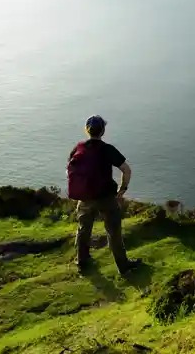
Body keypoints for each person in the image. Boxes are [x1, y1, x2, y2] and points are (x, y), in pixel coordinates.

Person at [67, 115, 141, 274]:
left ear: (86, 130)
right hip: (106, 197)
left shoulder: (79, 148)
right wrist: (122, 189)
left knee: (83, 229)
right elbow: (126, 170)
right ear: (103, 131)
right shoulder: (107, 149)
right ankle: (123, 266)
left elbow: (70, 169)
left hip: (85, 197)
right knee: (113, 232)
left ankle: (82, 261)